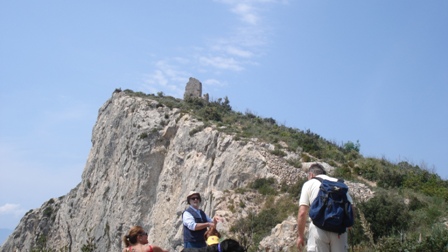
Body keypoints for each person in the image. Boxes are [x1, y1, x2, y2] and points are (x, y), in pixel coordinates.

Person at [297, 163, 355, 252]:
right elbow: (351, 207)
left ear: (311, 175)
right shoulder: (339, 184)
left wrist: (300, 236)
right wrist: (349, 225)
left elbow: (302, 213)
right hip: (339, 231)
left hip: (318, 229)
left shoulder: (309, 183)